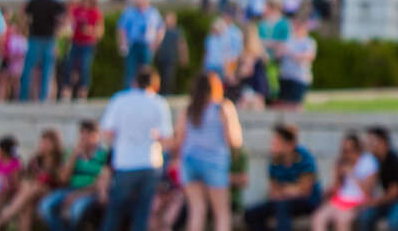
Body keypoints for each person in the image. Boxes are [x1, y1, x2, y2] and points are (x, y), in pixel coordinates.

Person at [99, 65, 174, 231]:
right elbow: (167, 138)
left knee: (115, 213)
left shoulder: (120, 100)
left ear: (134, 82)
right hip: (150, 163)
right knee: (142, 214)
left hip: (125, 163)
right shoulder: (159, 103)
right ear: (155, 85)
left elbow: (107, 132)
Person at [177, 72, 243, 231]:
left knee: (197, 210)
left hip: (189, 161)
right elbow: (233, 139)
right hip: (214, 161)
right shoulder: (222, 107)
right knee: (221, 213)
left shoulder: (189, 109)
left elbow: (180, 139)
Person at [244, 123, 322, 231]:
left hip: (308, 202)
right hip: (283, 201)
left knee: (282, 206)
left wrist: (284, 190)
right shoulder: (274, 161)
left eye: (277, 143)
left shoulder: (304, 157)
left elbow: (304, 191)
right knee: (250, 214)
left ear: (289, 145)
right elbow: (273, 192)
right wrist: (291, 189)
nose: (273, 146)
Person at [39, 119, 111, 231]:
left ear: (96, 135)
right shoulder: (72, 153)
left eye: (88, 134)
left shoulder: (104, 154)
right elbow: (63, 178)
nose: (84, 138)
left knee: (76, 210)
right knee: (45, 206)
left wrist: (77, 195)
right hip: (71, 189)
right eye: (82, 134)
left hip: (91, 192)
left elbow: (103, 182)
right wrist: (73, 157)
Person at [0, 127, 65, 231]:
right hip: (31, 195)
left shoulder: (60, 160)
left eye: (48, 142)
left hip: (51, 193)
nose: (44, 145)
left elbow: (62, 181)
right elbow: (26, 177)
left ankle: (2, 218)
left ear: (55, 144)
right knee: (27, 206)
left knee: (35, 187)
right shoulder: (36, 160)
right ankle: (4, 218)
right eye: (43, 142)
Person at [310, 133, 379, 231]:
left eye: (350, 151)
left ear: (358, 149)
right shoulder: (342, 161)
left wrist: (353, 174)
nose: (347, 154)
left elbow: (368, 191)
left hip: (359, 202)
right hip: (340, 200)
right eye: (344, 151)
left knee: (342, 220)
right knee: (318, 218)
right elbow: (336, 187)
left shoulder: (368, 161)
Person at [356, 127, 398, 231]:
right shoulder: (374, 161)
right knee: (365, 217)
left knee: (394, 223)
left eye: (372, 141)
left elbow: (395, 193)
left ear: (383, 142)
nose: (369, 145)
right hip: (386, 203)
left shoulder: (397, 161)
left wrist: (375, 202)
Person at [20, 0, 66, 101]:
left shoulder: (35, 1)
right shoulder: (55, 3)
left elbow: (24, 17)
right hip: (46, 39)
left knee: (31, 69)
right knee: (45, 70)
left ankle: (25, 97)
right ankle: (41, 98)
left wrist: (25, 30)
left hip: (37, 38)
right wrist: (57, 32)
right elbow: (62, 20)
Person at [63, 0, 104, 100]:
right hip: (75, 42)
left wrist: (90, 31)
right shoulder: (75, 10)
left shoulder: (95, 13)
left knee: (84, 68)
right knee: (69, 66)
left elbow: (100, 32)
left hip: (87, 44)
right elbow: (69, 24)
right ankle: (67, 90)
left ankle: (83, 91)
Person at [117, 0, 165, 89]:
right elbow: (122, 29)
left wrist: (156, 43)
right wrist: (122, 43)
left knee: (146, 71)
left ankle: (147, 89)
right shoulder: (129, 12)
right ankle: (129, 91)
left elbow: (160, 29)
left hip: (147, 45)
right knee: (131, 70)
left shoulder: (153, 13)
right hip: (133, 44)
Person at [277, 14, 316, 110]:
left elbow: (308, 57)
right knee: (285, 103)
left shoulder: (309, 42)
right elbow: (278, 55)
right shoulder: (288, 40)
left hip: (299, 77)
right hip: (286, 75)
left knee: (297, 104)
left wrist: (290, 53)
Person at [232, 25, 270, 110]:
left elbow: (246, 72)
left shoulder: (246, 54)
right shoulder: (261, 51)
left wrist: (236, 74)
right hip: (260, 85)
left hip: (250, 85)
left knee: (243, 106)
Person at [154, 11, 190, 95]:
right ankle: (161, 93)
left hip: (171, 58)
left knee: (169, 77)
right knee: (160, 77)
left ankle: (168, 93)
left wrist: (184, 57)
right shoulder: (160, 30)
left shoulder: (177, 31)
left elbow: (181, 45)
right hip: (161, 57)